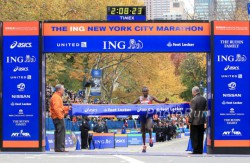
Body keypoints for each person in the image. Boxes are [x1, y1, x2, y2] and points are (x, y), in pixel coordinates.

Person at [122, 86, 168, 153]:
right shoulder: (140, 98)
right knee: (143, 130)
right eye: (144, 91)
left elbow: (159, 102)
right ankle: (144, 145)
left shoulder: (151, 97)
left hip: (149, 115)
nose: (145, 92)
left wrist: (165, 100)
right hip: (142, 115)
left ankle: (150, 139)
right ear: (142, 92)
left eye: (146, 91)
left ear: (148, 91)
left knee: (149, 128)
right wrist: (125, 104)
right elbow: (132, 104)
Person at [50, 84, 69, 152]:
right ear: (59, 90)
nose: (64, 90)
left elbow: (59, 108)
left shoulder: (56, 97)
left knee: (59, 132)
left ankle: (58, 148)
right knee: (61, 132)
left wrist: (67, 108)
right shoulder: (56, 97)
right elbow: (56, 108)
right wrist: (61, 117)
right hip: (58, 117)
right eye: (63, 89)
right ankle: (60, 148)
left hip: (56, 116)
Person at [188, 86, 207, 154]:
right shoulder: (204, 99)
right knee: (200, 136)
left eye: (192, 92)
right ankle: (200, 150)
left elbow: (192, 111)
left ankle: (195, 150)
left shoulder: (194, 100)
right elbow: (205, 109)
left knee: (194, 136)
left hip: (195, 121)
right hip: (202, 119)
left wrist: (190, 120)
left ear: (194, 92)